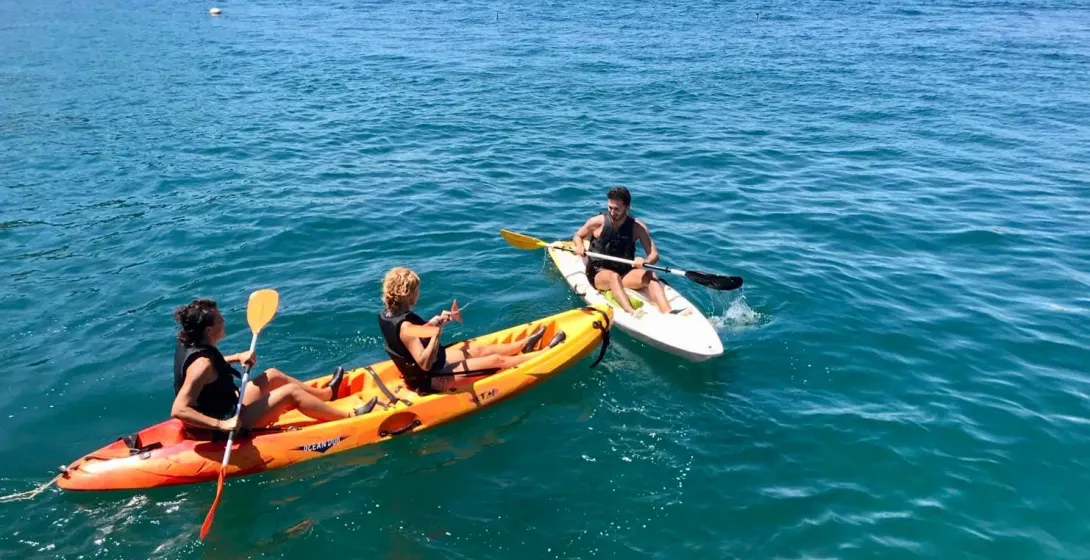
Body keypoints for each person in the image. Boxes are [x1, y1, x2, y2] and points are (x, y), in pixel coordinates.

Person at [171, 298, 371, 435]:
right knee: (290, 393)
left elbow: (209, 362)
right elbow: (179, 409)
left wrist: (237, 357)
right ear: (208, 330)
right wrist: (222, 425)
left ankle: (327, 395)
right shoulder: (202, 366)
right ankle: (349, 417)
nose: (224, 320)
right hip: (222, 425)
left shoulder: (192, 342)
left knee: (273, 375)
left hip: (227, 405)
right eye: (219, 319)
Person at [377, 266, 565, 394]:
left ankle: (524, 344)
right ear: (408, 294)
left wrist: (431, 324)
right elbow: (424, 363)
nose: (419, 293)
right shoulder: (406, 327)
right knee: (496, 360)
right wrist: (436, 334)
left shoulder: (387, 314)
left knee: (479, 350)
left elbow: (407, 340)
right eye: (417, 290)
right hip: (430, 378)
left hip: (434, 364)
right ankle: (545, 354)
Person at [573, 185, 674, 316]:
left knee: (650, 275)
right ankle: (631, 312)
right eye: (610, 207)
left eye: (617, 209)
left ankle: (668, 311)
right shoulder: (598, 222)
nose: (612, 212)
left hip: (624, 273)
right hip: (598, 273)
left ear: (627, 208)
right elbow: (578, 236)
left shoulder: (637, 227)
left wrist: (645, 261)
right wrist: (579, 245)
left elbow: (654, 254)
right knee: (613, 277)